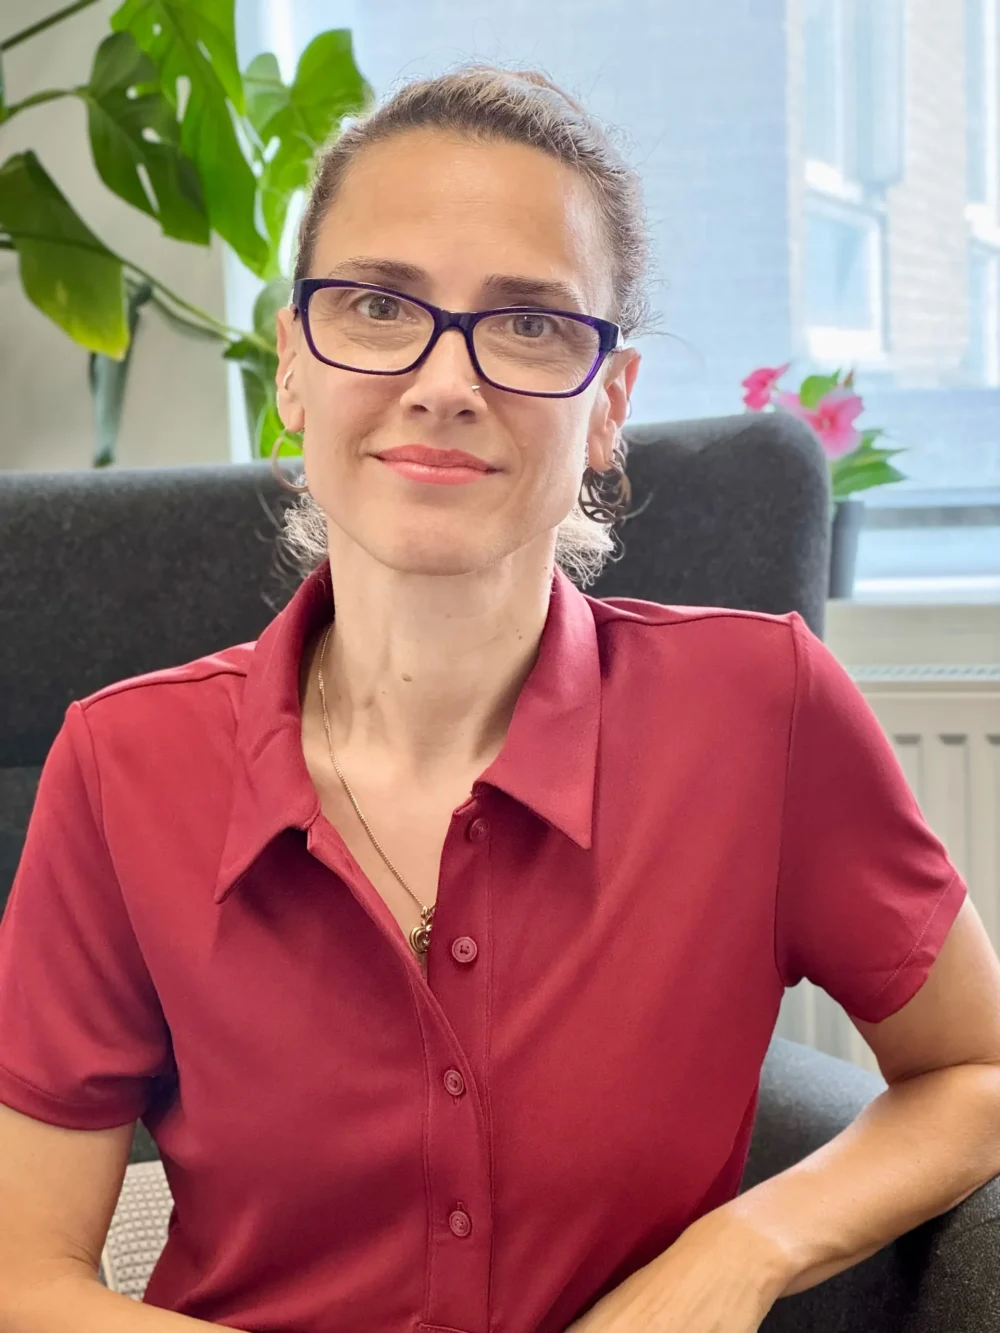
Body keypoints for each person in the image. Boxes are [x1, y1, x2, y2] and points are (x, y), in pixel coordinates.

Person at [0, 63, 979, 1333]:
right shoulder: (120, 764)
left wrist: (744, 1246)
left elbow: (974, 1067)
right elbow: (27, 1277)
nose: (445, 380)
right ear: (295, 365)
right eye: (374, 305)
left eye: (529, 324)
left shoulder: (763, 713)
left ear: (607, 406)